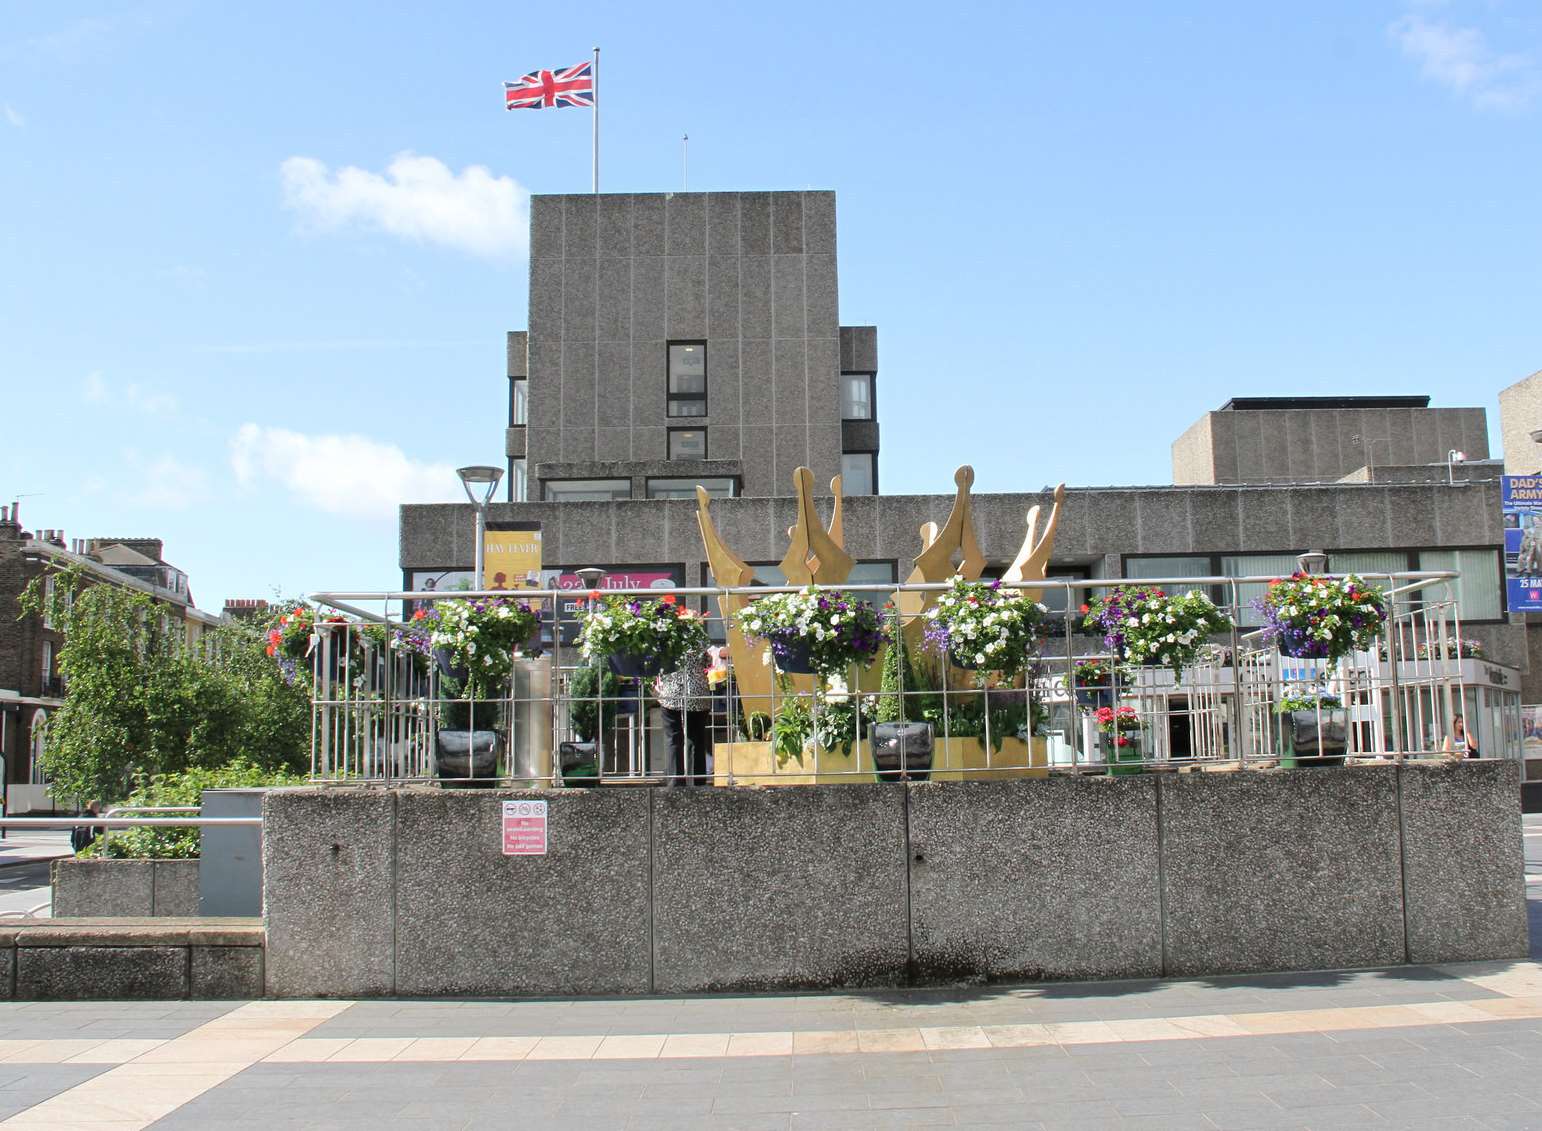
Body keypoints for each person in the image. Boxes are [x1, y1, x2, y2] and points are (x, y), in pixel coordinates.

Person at [654, 648, 712, 786]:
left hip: (670, 692)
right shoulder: (697, 638)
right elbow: (708, 661)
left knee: (673, 736)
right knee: (696, 739)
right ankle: (697, 782)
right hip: (696, 692)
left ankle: (675, 782)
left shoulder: (667, 638)